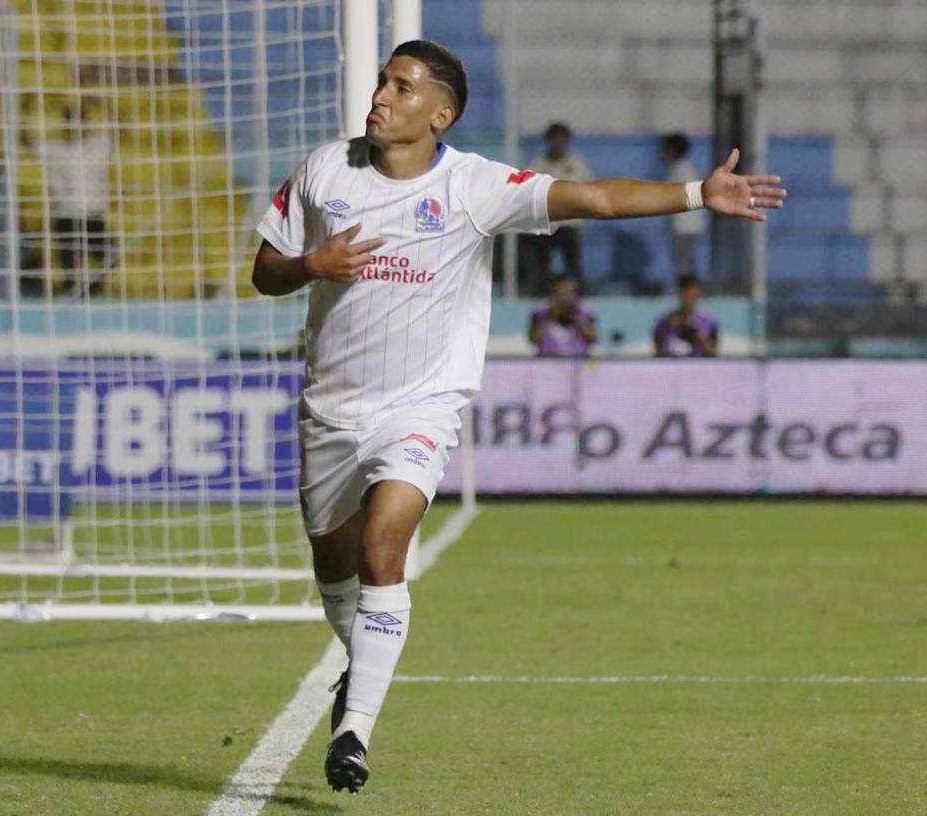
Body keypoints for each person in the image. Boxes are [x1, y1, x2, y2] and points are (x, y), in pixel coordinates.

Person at [252, 39, 785, 794]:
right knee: (335, 569)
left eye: (402, 89)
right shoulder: (324, 169)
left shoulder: (475, 185)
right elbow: (264, 268)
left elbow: (595, 199)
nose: (380, 98)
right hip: (330, 411)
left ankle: (353, 734)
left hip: (422, 406)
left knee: (383, 546)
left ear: (441, 114)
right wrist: (312, 265)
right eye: (381, 84)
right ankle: (359, 672)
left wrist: (698, 193)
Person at [41, 99, 117, 295]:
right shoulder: (54, 147)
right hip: (66, 214)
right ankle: (74, 295)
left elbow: (122, 128)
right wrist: (24, 106)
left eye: (81, 119)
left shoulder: (98, 145)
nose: (77, 124)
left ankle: (92, 288)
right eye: (72, 119)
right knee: (70, 265)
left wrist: (104, 105)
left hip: (93, 213)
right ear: (65, 122)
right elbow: (25, 141)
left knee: (110, 256)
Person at [518, 121, 591, 293]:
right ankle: (542, 292)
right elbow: (528, 191)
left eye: (562, 139)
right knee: (542, 263)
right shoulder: (537, 165)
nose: (558, 143)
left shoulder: (576, 164)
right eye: (554, 139)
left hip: (568, 224)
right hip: (546, 223)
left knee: (572, 263)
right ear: (548, 141)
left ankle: (578, 293)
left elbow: (584, 191)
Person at [661, 132, 706, 276]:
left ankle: (684, 289)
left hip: (684, 226)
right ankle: (684, 287)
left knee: (683, 262)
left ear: (672, 151)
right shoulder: (680, 169)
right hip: (686, 225)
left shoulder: (682, 171)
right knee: (684, 261)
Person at [528, 273, 597, 358]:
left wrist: (574, 319)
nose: (565, 297)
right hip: (547, 361)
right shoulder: (541, 311)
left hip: (579, 360)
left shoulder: (585, 311)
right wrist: (551, 316)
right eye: (560, 293)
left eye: (569, 293)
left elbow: (592, 338)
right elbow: (533, 339)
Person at [653, 273, 719, 357]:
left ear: (698, 293)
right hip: (671, 367)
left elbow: (713, 353)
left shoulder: (709, 322)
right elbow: (657, 352)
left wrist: (692, 331)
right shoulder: (664, 321)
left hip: (699, 367)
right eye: (684, 291)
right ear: (679, 294)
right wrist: (668, 328)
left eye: (691, 291)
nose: (688, 296)